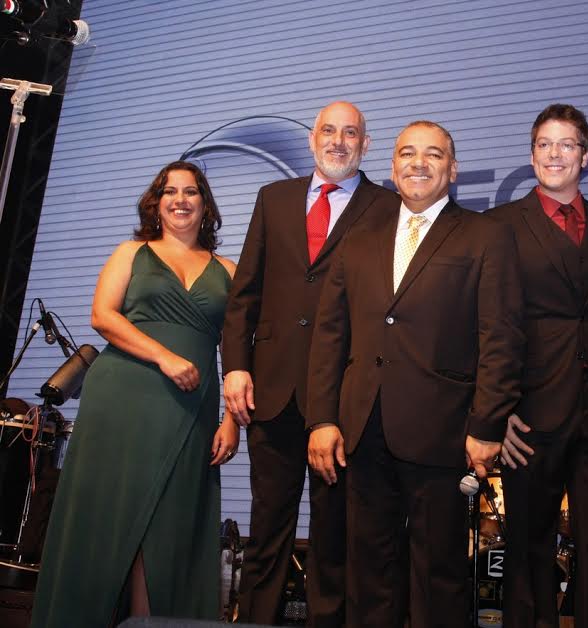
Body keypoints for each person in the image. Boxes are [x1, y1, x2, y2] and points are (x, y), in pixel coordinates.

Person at [305, 120, 524, 628]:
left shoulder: (486, 235)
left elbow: (502, 338)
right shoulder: (358, 239)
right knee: (368, 572)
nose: (418, 164)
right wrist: (322, 419)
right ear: (392, 166)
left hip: (445, 433)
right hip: (363, 430)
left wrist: (486, 425)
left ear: (453, 169)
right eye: (407, 153)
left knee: (438, 575)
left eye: (433, 154)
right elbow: (330, 336)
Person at [31, 161, 239, 627]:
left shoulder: (229, 269)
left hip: (191, 408)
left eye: (191, 192)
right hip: (122, 399)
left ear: (205, 204)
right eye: (170, 192)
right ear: (156, 203)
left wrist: (232, 418)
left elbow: (237, 349)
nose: (180, 200)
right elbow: (102, 317)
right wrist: (164, 357)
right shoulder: (131, 252)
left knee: (169, 529)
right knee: (106, 518)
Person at [222, 101, 395, 626]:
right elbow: (245, 293)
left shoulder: (388, 207)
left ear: (366, 145)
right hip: (271, 390)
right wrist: (235, 366)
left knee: (333, 536)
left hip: (343, 396)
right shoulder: (273, 198)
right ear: (312, 138)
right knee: (267, 529)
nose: (338, 141)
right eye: (328, 130)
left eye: (350, 133)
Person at [488, 104, 588, 628]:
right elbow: (486, 326)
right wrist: (496, 412)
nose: (555, 154)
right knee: (529, 549)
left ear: (585, 156)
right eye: (545, 144)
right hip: (528, 418)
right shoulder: (498, 227)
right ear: (532, 156)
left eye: (567, 144)